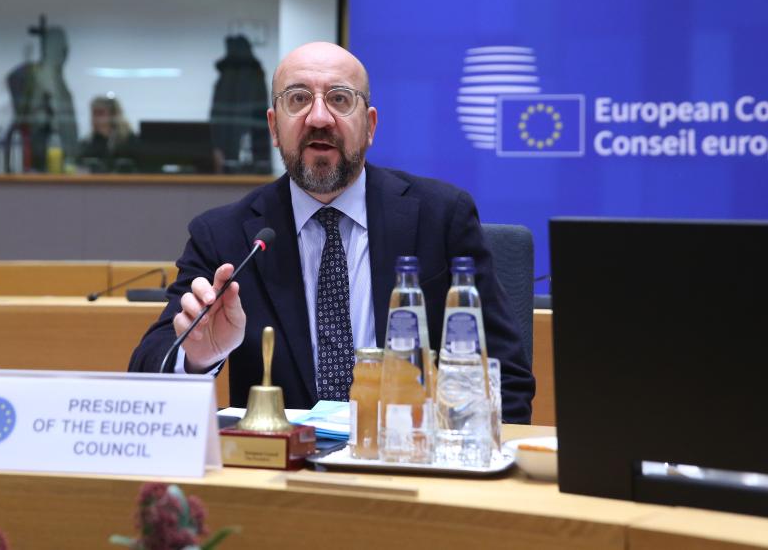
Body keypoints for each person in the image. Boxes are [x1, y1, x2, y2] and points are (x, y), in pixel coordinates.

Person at [128, 42, 535, 423]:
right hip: (282, 467)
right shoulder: (224, 236)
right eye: (298, 99)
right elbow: (149, 371)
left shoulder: (441, 217)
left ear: (369, 125)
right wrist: (197, 357)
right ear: (273, 127)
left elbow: (506, 376)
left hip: (409, 461)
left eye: (339, 99)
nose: (319, 118)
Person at [78, 94, 138, 172]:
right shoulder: (88, 142)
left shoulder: (128, 140)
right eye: (94, 113)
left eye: (100, 113)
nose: (96, 118)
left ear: (113, 115)